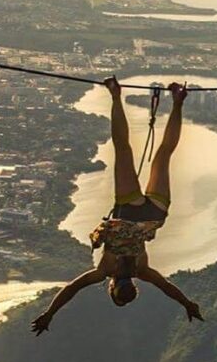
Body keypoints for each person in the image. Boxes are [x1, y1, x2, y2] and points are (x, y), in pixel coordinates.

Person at [32, 76, 203, 335]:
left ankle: (178, 101)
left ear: (135, 287)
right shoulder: (105, 270)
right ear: (111, 287)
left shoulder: (143, 272)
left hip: (154, 214)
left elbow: (168, 288)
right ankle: (115, 94)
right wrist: (49, 314)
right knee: (122, 149)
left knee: (163, 154)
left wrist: (188, 304)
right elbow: (71, 289)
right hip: (128, 211)